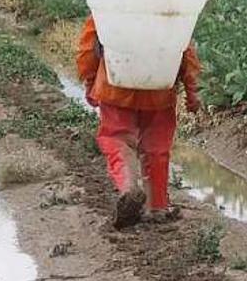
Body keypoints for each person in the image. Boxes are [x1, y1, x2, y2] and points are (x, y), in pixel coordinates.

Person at [76, 15, 202, 228]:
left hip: (116, 85)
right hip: (160, 88)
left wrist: (89, 81)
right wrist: (192, 91)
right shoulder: (169, 9)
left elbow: (89, 47)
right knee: (157, 148)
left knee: (117, 138)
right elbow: (185, 49)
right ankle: (157, 207)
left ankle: (128, 186)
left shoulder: (111, 2)